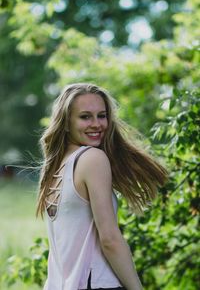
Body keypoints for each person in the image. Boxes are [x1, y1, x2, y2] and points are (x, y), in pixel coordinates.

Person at [36, 83, 168, 290]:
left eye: (102, 115)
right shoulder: (93, 159)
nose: (97, 124)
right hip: (96, 283)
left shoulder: (56, 166)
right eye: (85, 116)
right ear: (66, 123)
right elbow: (109, 240)